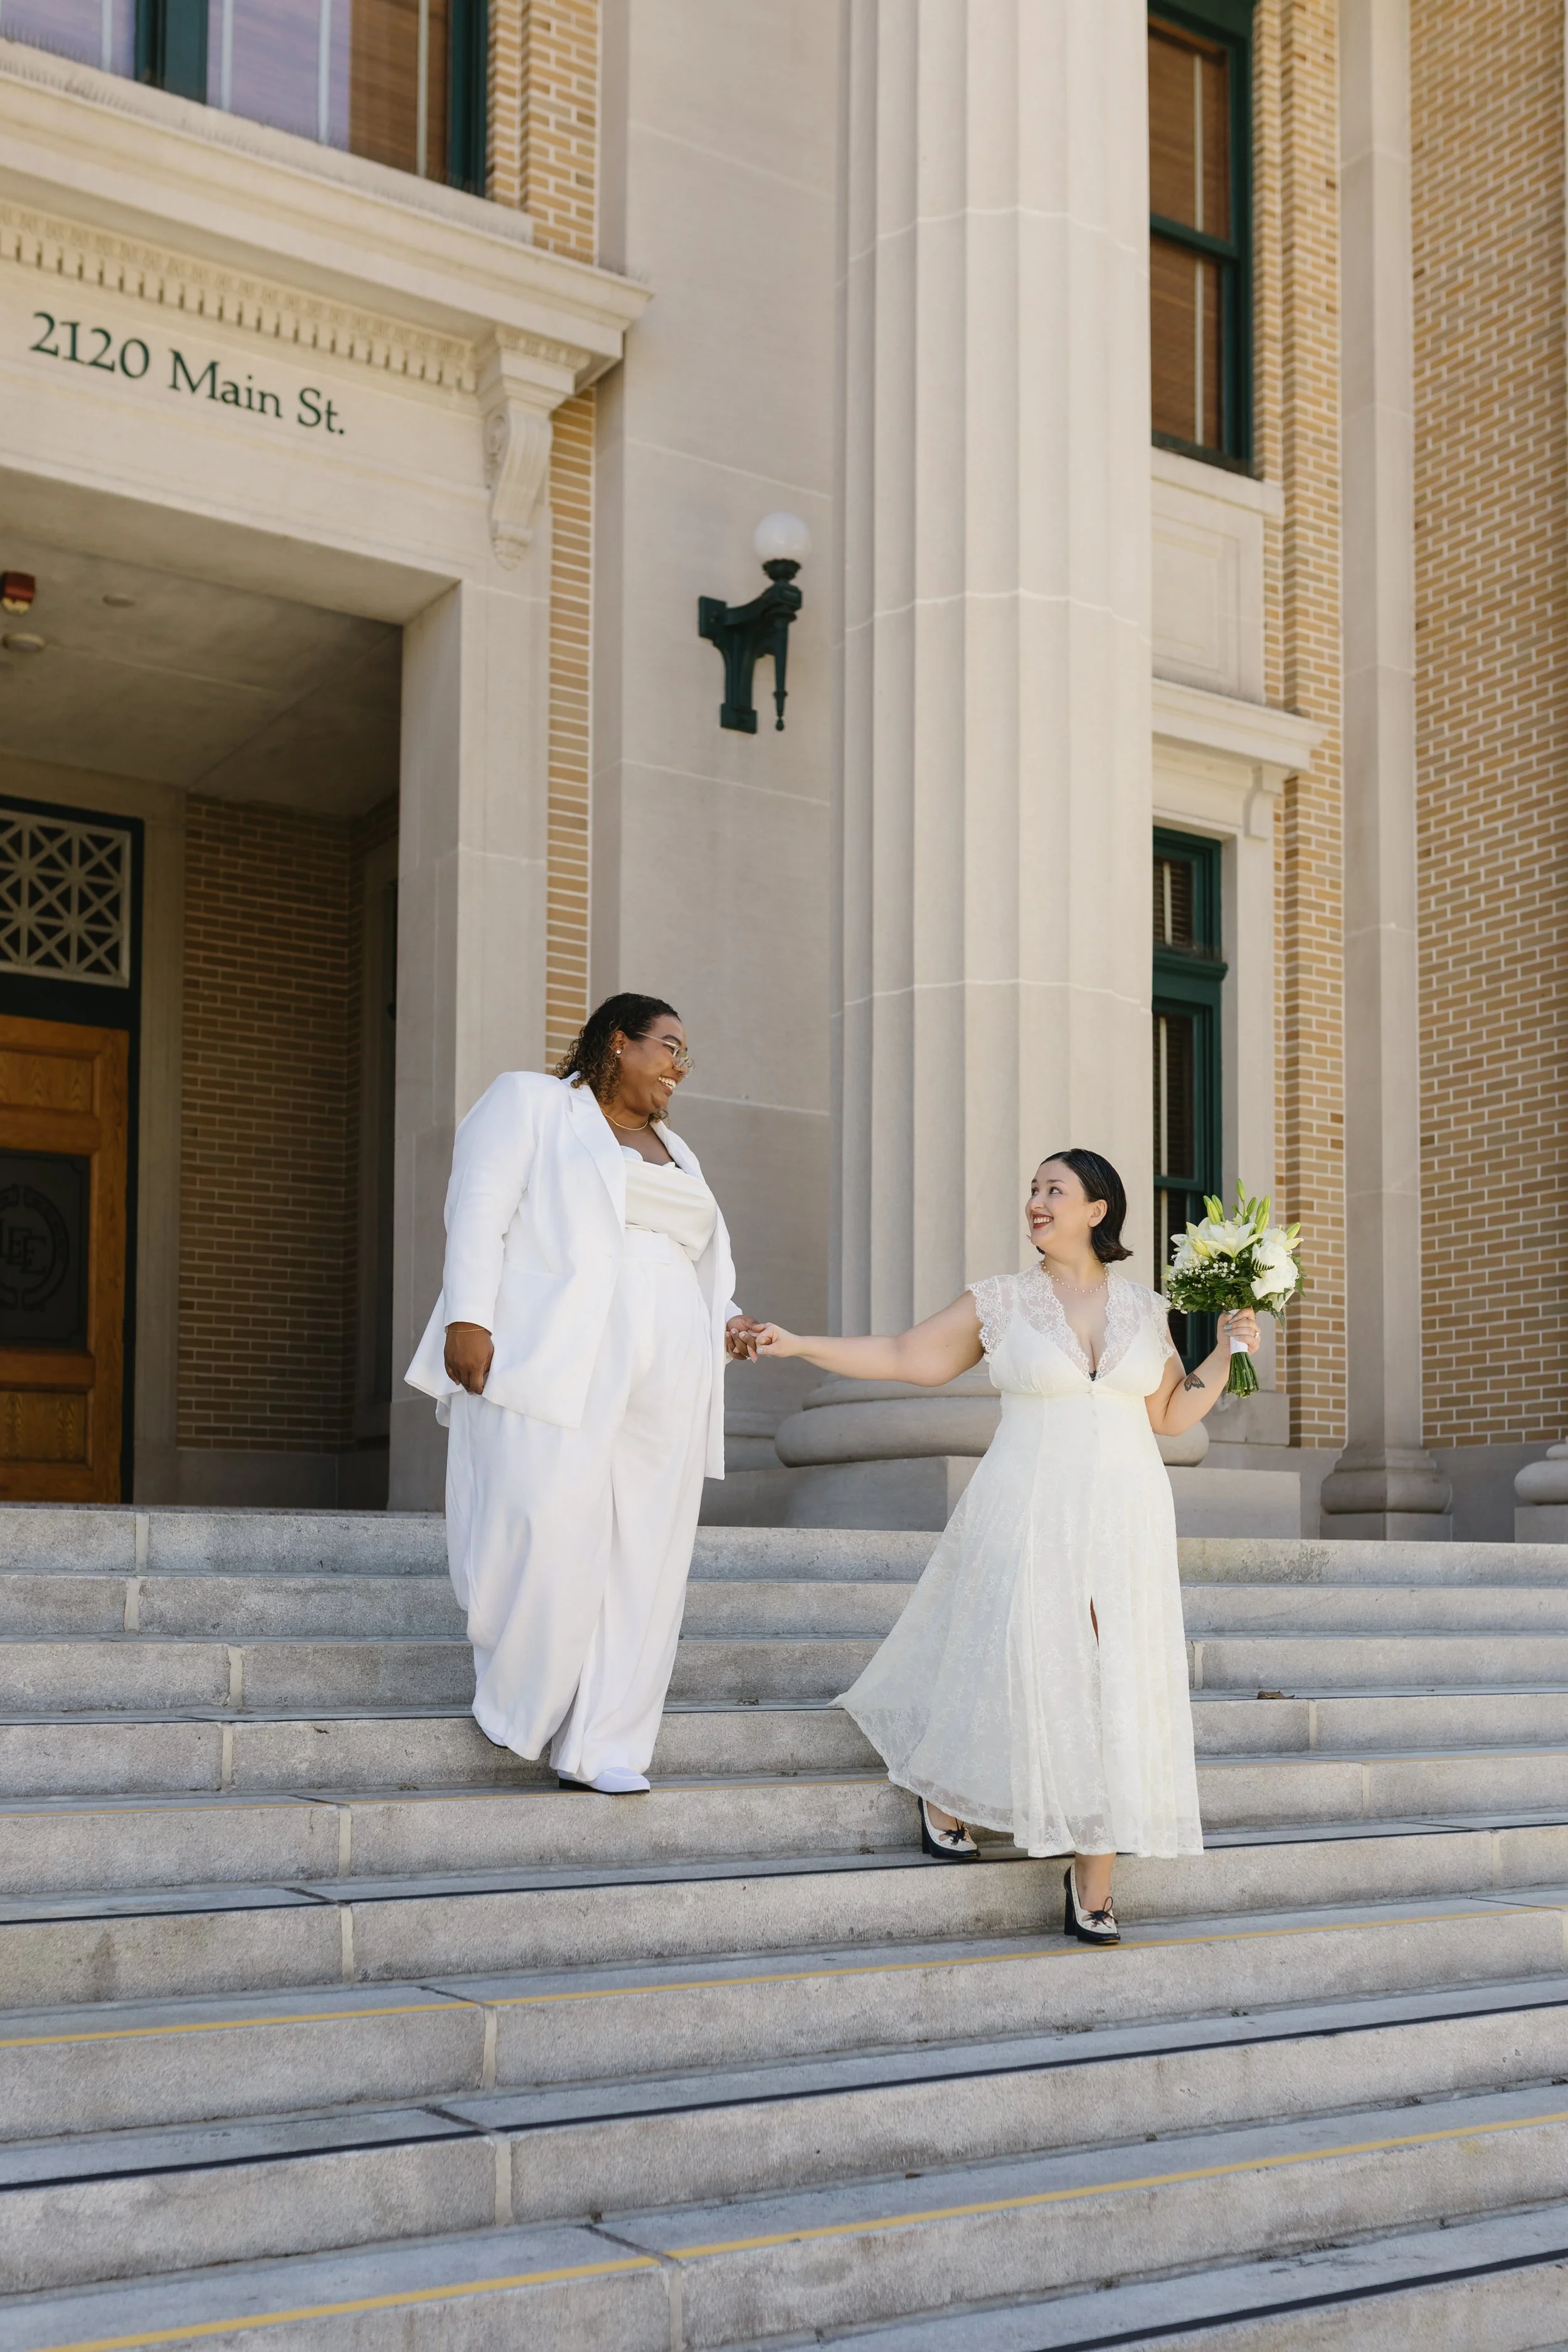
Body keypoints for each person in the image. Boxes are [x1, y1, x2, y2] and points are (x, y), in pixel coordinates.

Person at [747, 1148, 1258, 1945]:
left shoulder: (1146, 1309)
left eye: (1054, 1190)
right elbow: (902, 1357)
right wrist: (795, 1344)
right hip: (1026, 1502)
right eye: (1031, 1191)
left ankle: (1094, 1874)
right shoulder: (1002, 1301)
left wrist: (1225, 1352)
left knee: (1112, 1673)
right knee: (1017, 1657)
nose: (1035, 1202)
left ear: (1098, 1209)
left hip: (1125, 1514)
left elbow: (1168, 1416)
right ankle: (947, 1791)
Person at [405, 993, 761, 1793]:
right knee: (545, 1517)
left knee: (648, 1548)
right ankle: (524, 1693)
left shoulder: (679, 1152)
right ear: (616, 1042)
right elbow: (480, 1210)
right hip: (560, 1348)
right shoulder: (530, 1103)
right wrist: (469, 1315)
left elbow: (693, 1260)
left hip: (673, 1359)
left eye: (683, 1054)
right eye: (667, 1046)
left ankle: (606, 1744)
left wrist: (730, 1324)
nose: (678, 1067)